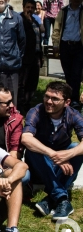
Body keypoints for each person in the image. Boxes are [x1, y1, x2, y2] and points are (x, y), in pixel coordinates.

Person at [21, 81, 83, 220]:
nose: (49, 101)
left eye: (55, 99)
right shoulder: (36, 111)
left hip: (62, 167)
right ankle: (61, 199)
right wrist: (53, 155)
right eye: (46, 96)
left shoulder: (73, 115)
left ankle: (50, 200)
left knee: (76, 148)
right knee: (33, 148)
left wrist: (69, 154)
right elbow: (26, 138)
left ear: (66, 102)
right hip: (39, 166)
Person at [51, 0, 83, 109]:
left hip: (79, 46)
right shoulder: (63, 12)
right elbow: (56, 28)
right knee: (68, 73)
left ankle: (74, 100)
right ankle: (68, 97)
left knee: (76, 73)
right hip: (65, 46)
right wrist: (55, 44)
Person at [18, 0, 45, 114]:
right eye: (28, 7)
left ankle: (28, 104)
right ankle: (20, 105)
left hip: (36, 56)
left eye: (32, 8)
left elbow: (40, 38)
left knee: (32, 83)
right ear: (23, 7)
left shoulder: (35, 20)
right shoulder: (19, 20)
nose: (30, 10)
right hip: (24, 57)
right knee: (22, 83)